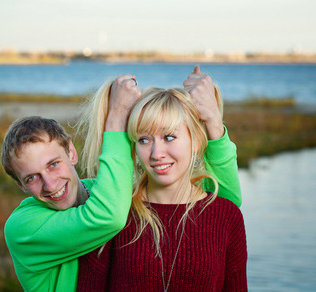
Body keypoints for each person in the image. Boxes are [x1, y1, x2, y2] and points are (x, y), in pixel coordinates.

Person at [77, 67, 247, 291]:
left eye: (169, 137)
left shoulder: (227, 216)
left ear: (195, 140)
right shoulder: (113, 214)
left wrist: (214, 119)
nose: (157, 153)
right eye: (144, 140)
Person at [1, 75, 141, 291]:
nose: (49, 184)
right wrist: (117, 116)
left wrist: (213, 127)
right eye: (32, 178)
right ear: (22, 186)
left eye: (53, 164)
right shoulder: (23, 228)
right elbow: (108, 217)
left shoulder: (105, 190)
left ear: (71, 152)